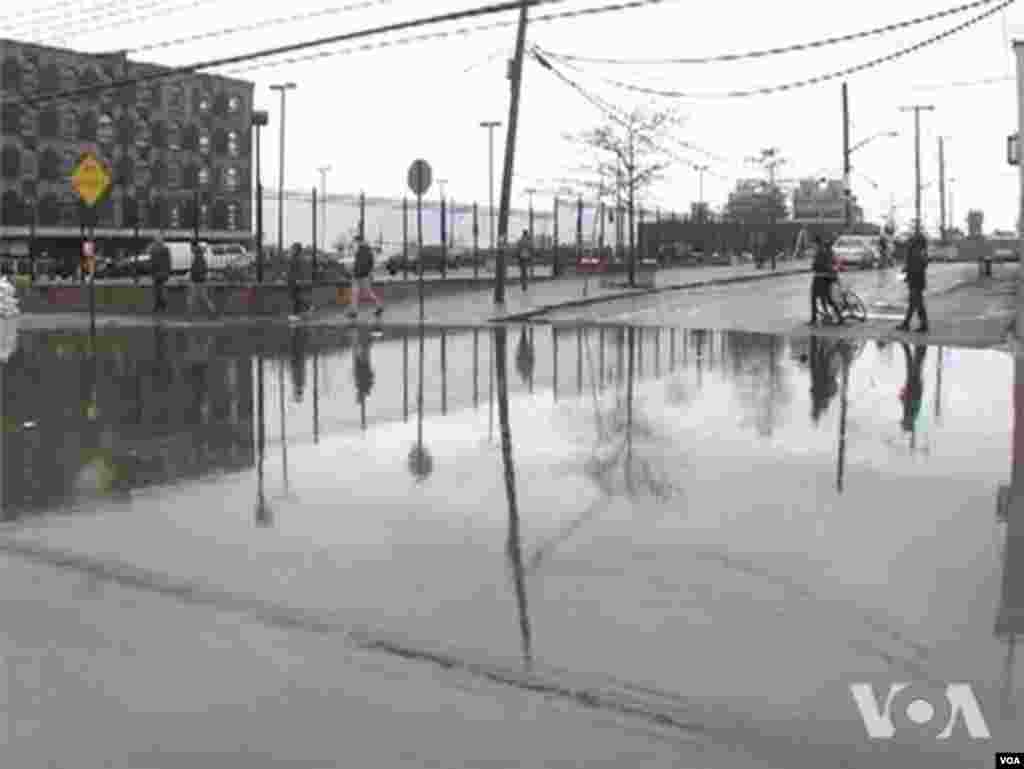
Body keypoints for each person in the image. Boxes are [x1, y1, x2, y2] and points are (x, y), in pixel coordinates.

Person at [897, 229, 929, 333]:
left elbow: (916, 266)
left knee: (917, 303)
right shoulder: (920, 251)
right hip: (917, 281)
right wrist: (907, 269)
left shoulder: (916, 251)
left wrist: (907, 270)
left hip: (916, 281)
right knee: (914, 303)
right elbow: (920, 265)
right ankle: (907, 323)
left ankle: (922, 325)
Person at [809, 235, 843, 326]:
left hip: (821, 278)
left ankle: (815, 318)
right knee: (820, 299)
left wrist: (815, 266)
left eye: (813, 244)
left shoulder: (821, 252)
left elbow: (821, 265)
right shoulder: (820, 251)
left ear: (817, 243)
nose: (813, 246)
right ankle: (816, 317)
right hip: (821, 278)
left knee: (825, 299)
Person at [347, 235, 384, 319]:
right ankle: (354, 311)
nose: (355, 243)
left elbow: (367, 263)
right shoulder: (364, 250)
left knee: (363, 293)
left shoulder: (363, 250)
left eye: (356, 241)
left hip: (362, 276)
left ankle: (379, 306)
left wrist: (366, 272)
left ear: (360, 241)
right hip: (359, 275)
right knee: (355, 293)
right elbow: (367, 263)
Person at [188, 241, 216, 318]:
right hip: (201, 280)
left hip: (196, 280)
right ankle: (212, 312)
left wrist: (191, 276)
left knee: (192, 298)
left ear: (193, 247)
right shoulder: (200, 255)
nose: (190, 249)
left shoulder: (197, 256)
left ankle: (189, 315)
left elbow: (195, 269)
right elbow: (204, 269)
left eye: (191, 248)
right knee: (204, 298)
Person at [149, 236, 171, 314]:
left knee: (158, 289)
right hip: (160, 272)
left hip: (158, 272)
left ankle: (160, 305)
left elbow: (152, 262)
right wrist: (168, 272)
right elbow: (168, 262)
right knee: (159, 289)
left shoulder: (154, 249)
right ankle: (160, 304)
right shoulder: (164, 249)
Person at [287, 243, 307, 320]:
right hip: (292, 280)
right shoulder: (294, 258)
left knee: (294, 297)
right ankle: (303, 310)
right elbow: (291, 270)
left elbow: (297, 270)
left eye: (293, 249)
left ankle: (296, 314)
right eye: (292, 248)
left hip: (294, 281)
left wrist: (298, 279)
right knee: (296, 297)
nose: (291, 250)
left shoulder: (296, 259)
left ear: (296, 250)